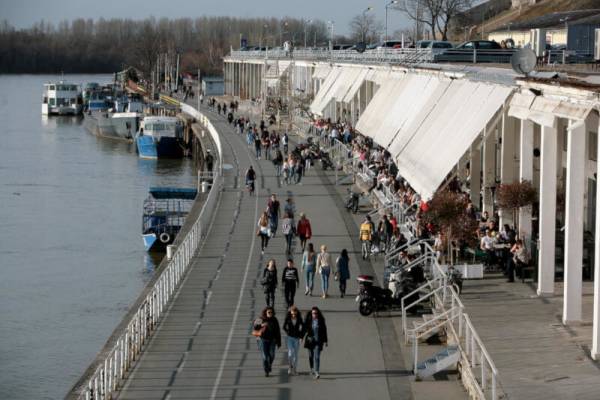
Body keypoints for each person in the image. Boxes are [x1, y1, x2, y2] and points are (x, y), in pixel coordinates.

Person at [253, 307, 281, 377]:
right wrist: (261, 325)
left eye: (271, 312)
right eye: (269, 312)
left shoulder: (274, 320)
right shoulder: (261, 319)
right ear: (265, 312)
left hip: (272, 340)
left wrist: (279, 342)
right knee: (265, 356)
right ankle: (266, 370)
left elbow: (278, 331)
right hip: (263, 340)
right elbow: (255, 327)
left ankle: (269, 364)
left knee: (272, 355)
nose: (270, 314)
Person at [304, 307, 328, 379]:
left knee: (317, 357)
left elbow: (324, 331)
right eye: (313, 313)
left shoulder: (321, 321)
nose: (315, 314)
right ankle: (312, 368)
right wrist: (301, 337)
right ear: (311, 314)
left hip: (318, 341)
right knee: (311, 356)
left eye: (316, 313)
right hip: (310, 341)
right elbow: (304, 329)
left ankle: (317, 371)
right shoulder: (308, 320)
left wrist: (326, 341)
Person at [283, 306, 305, 375]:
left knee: (295, 354)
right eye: (292, 314)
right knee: (290, 353)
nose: (293, 315)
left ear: (297, 313)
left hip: (296, 338)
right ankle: (290, 367)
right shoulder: (288, 318)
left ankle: (294, 369)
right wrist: (287, 332)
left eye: (295, 314)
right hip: (289, 338)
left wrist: (301, 337)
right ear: (290, 313)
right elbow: (284, 327)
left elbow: (303, 327)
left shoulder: (299, 319)